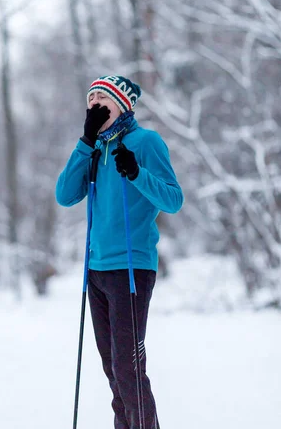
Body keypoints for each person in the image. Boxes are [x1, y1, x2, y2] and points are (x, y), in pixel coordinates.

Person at [56, 75, 184, 429]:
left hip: (131, 267)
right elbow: (65, 195)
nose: (95, 102)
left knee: (129, 367)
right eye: (91, 97)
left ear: (122, 104)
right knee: (112, 367)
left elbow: (173, 200)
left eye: (103, 97)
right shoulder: (94, 149)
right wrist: (85, 141)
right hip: (95, 270)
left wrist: (137, 172)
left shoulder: (146, 142)